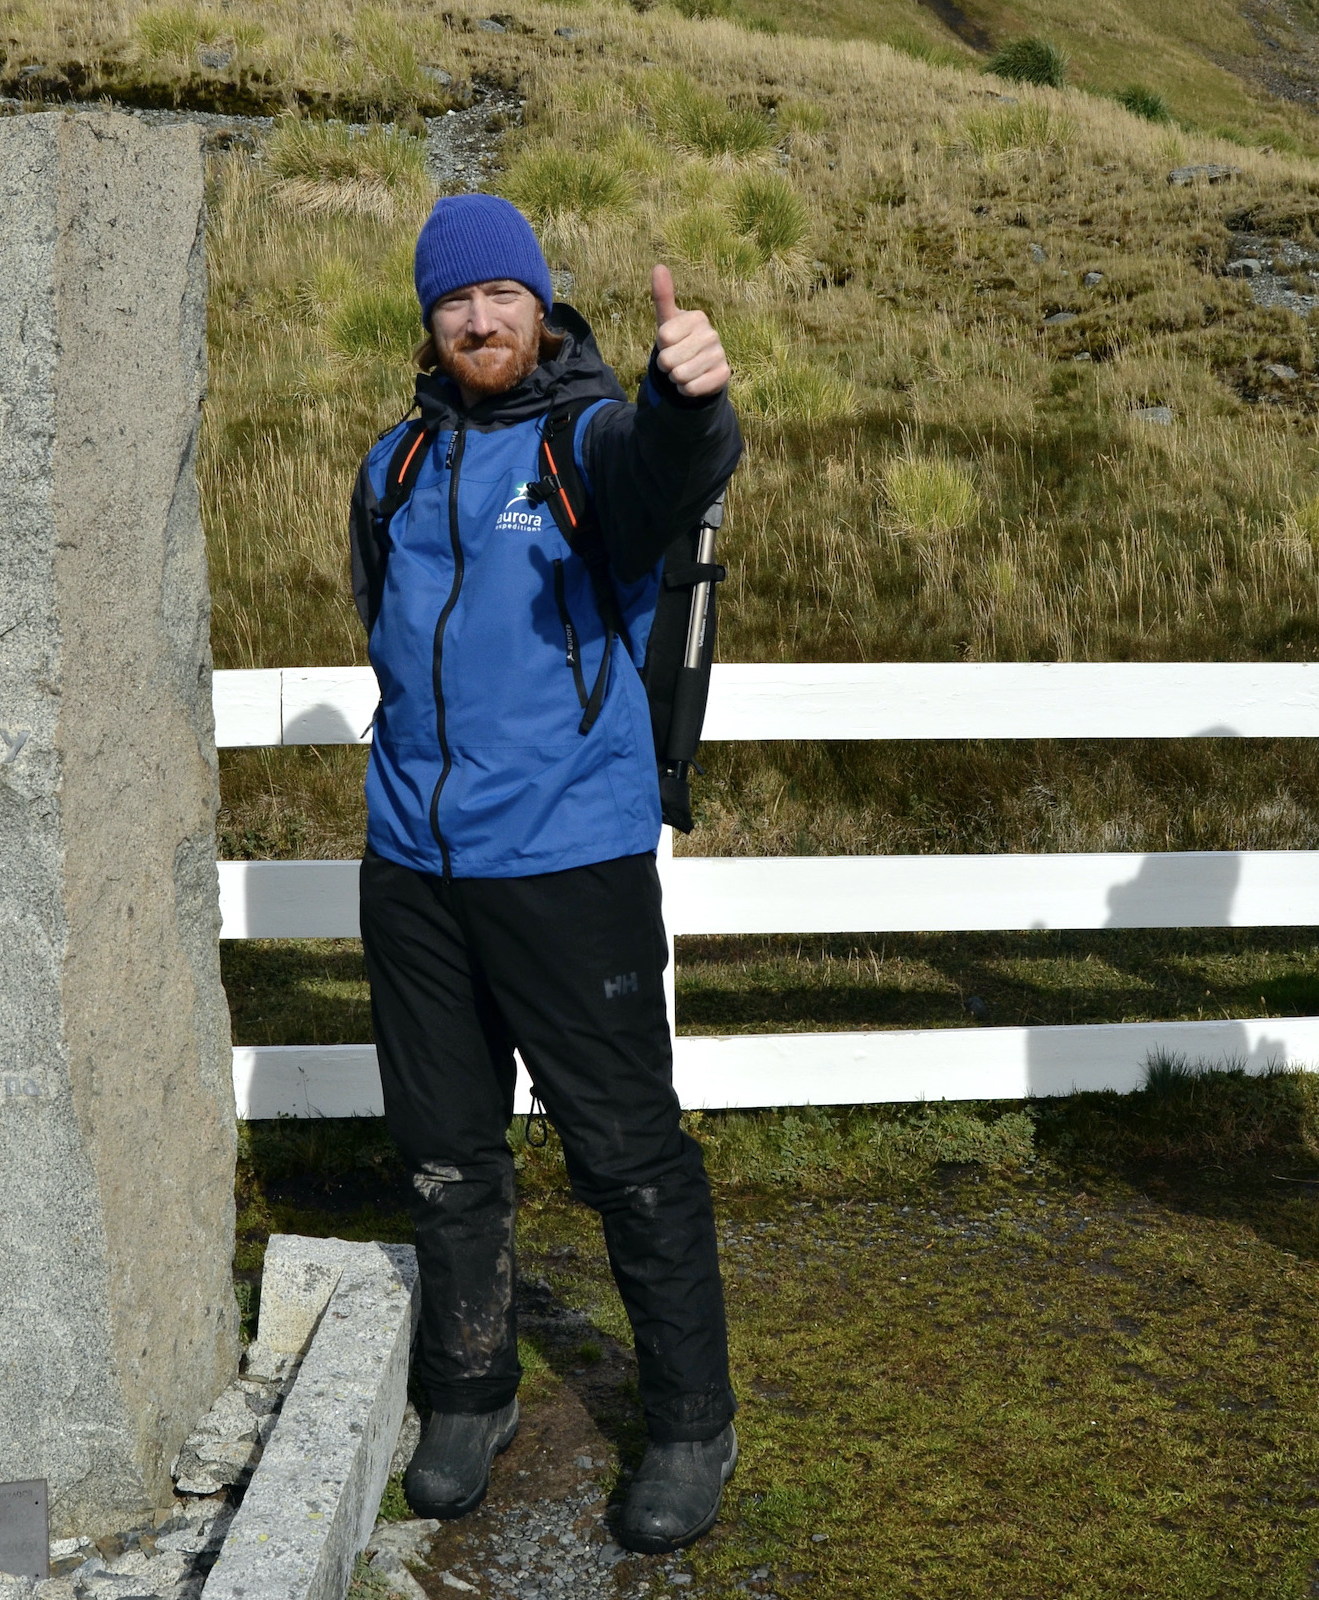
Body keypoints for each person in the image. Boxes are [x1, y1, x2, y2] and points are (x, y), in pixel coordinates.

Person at [346, 193, 744, 1554]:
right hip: (413, 869)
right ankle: (468, 1393)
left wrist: (689, 402)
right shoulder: (391, 467)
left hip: (570, 865)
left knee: (628, 1158)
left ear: (540, 303)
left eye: (501, 294)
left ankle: (692, 1420)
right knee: (448, 1157)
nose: (479, 317)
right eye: (454, 301)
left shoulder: (586, 443)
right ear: (430, 322)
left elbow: (663, 477)